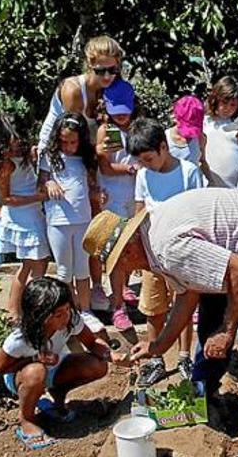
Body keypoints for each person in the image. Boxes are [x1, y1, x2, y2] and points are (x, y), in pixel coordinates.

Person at [83, 189, 238, 457]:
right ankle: (202, 392)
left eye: (120, 265)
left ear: (128, 250)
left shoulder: (168, 247)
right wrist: (158, 345)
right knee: (210, 315)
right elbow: (188, 292)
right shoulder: (153, 242)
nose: (127, 271)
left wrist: (228, 330)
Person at [37, 35, 125, 315]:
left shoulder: (111, 89)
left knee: (95, 226)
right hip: (59, 155)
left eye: (113, 69)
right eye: (101, 71)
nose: (108, 76)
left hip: (84, 155)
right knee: (67, 257)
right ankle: (68, 306)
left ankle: (93, 291)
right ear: (89, 64)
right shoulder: (73, 90)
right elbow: (69, 136)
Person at [0, 277, 128, 451]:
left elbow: (92, 342)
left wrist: (111, 355)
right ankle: (26, 419)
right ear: (40, 315)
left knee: (98, 365)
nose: (65, 316)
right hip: (21, 377)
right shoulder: (20, 339)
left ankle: (58, 396)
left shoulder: (70, 319)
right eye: (58, 314)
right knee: (36, 372)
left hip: (54, 368)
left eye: (67, 309)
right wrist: (34, 359)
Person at [130, 118, 204, 385]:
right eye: (141, 161)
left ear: (164, 147)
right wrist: (139, 248)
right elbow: (139, 211)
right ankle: (156, 358)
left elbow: (199, 210)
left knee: (182, 305)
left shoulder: (188, 172)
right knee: (153, 307)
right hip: (152, 255)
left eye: (149, 158)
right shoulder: (142, 175)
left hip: (183, 253)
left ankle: (184, 356)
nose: (146, 165)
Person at [39, 113, 106, 333]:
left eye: (73, 142)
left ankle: (85, 310)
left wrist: (97, 192)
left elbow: (90, 183)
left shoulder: (84, 158)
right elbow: (42, 181)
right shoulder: (49, 157)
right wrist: (49, 183)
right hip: (58, 221)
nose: (68, 146)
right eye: (64, 142)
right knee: (64, 269)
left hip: (82, 219)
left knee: (82, 267)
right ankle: (69, 310)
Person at [0, 113, 50, 322]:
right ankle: (31, 309)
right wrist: (36, 197)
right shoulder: (5, 165)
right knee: (36, 266)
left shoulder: (23, 156)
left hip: (32, 214)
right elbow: (6, 199)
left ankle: (15, 310)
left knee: (31, 265)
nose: (17, 142)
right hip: (22, 218)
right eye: (12, 138)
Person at [93, 79, 140, 327]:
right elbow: (107, 167)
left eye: (125, 110)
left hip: (133, 196)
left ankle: (124, 287)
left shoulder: (135, 128)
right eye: (116, 111)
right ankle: (116, 304)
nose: (121, 116)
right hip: (113, 197)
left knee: (130, 246)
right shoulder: (107, 131)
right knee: (115, 249)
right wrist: (132, 168)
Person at [203, 76, 238, 188]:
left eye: (233, 105)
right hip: (210, 184)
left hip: (235, 187)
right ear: (216, 100)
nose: (227, 108)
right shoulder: (205, 123)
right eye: (224, 103)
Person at [167, 95, 209, 178]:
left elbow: (202, 161)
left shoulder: (201, 138)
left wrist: (211, 181)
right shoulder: (165, 139)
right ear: (175, 117)